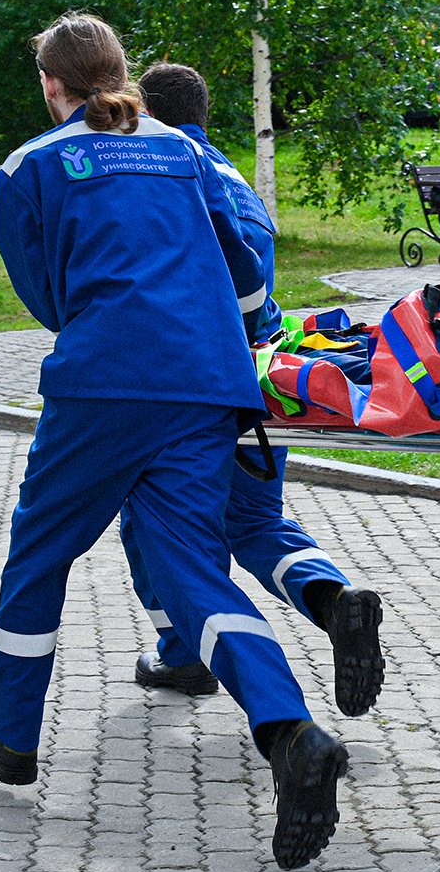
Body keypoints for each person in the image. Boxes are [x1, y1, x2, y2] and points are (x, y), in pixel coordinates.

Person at [0, 13, 347, 872]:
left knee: (41, 556)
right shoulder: (186, 150)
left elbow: (45, 294)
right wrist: (250, 339)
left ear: (50, 86)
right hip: (207, 383)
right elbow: (249, 259)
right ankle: (290, 732)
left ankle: (12, 732)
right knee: (192, 570)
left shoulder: (30, 166)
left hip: (102, 385)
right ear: (121, 71)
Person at [125, 62, 385, 718]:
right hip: (263, 384)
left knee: (152, 528)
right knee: (254, 523)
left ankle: (183, 653)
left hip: (194, 389)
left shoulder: (173, 175)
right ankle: (333, 601)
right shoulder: (235, 178)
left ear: (146, 116)